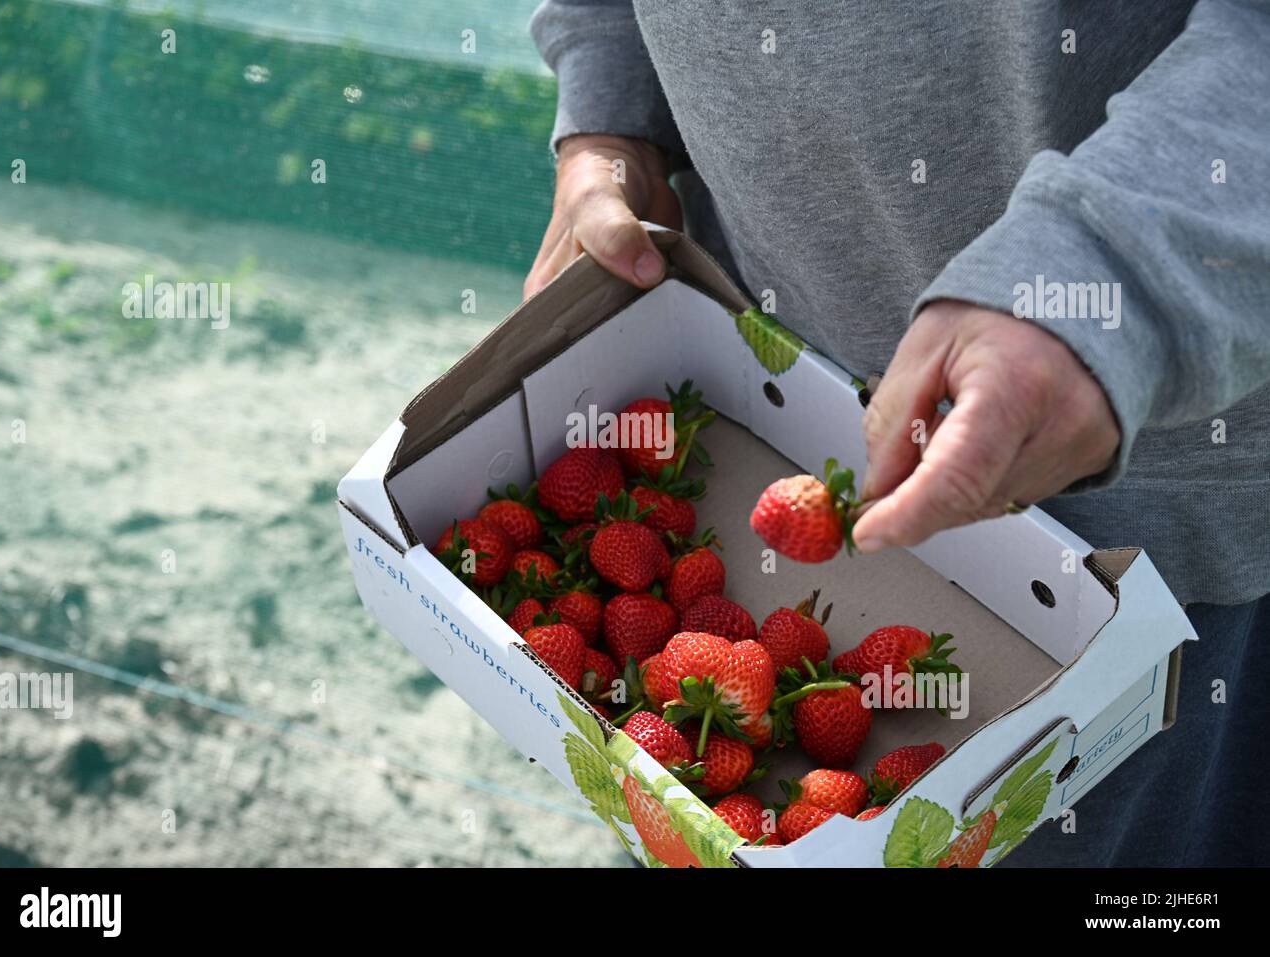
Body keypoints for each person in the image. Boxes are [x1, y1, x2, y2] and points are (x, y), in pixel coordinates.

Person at [526, 0, 1270, 866]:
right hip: (749, 357)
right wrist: (612, 114)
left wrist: (1111, 280)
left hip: (1144, 509)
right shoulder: (682, 688)